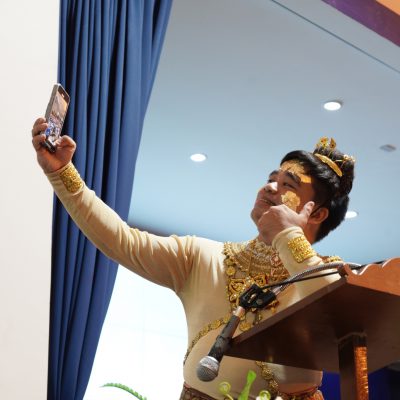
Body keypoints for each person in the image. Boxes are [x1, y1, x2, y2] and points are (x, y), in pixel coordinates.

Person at [31, 117, 355, 400]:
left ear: (317, 214)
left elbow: (339, 316)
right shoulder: (203, 257)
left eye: (288, 185)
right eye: (272, 178)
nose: (270, 187)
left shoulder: (322, 273)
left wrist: (288, 237)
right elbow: (122, 240)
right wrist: (62, 173)